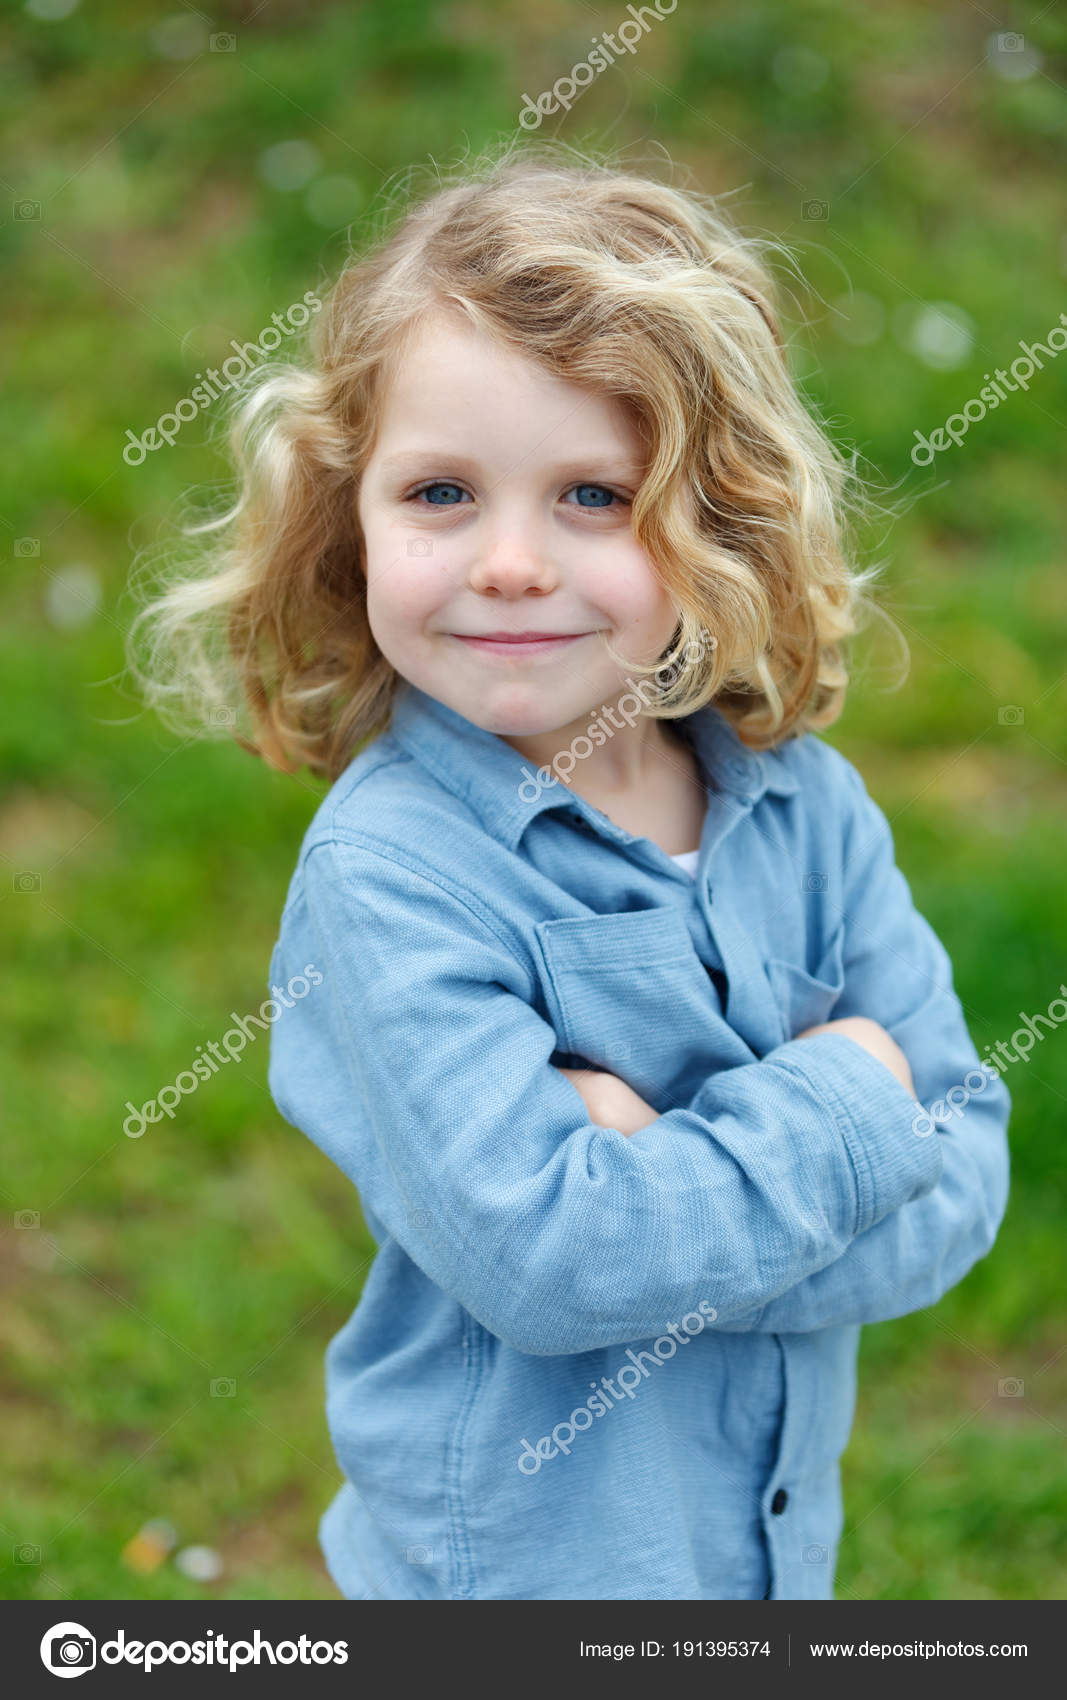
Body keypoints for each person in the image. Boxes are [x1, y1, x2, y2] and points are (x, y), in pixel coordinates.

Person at [130, 145, 1011, 1601]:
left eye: (594, 496)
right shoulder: (395, 872)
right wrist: (853, 1110)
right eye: (441, 494)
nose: (513, 562)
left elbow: (968, 1170)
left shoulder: (804, 806)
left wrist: (647, 1170)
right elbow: (549, 1269)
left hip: (762, 1560)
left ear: (714, 515)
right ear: (352, 518)